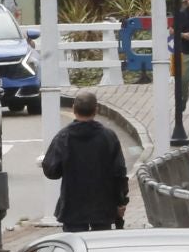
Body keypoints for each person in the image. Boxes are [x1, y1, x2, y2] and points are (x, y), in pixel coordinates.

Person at [41, 91, 129, 232]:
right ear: (96, 110)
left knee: (75, 246)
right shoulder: (108, 136)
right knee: (100, 247)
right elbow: (119, 172)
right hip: (103, 206)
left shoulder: (64, 137)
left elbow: (52, 171)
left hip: (72, 206)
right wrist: (121, 201)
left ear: (74, 108)